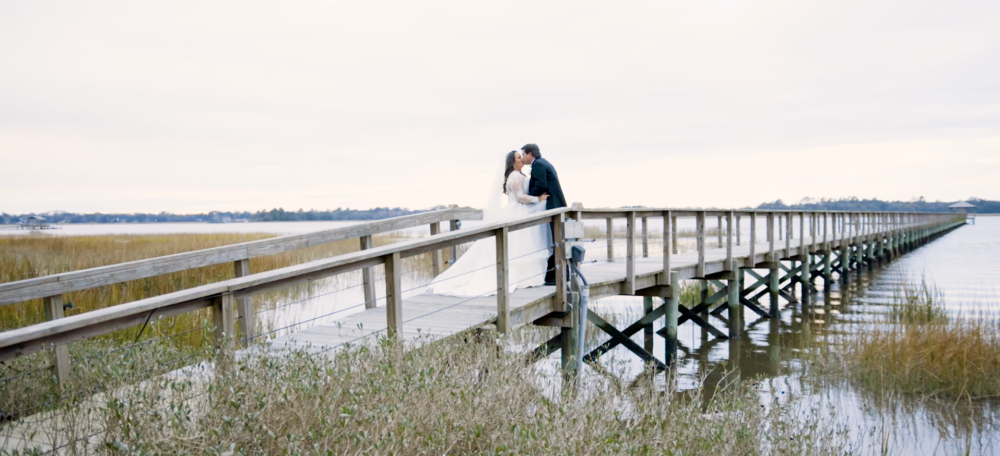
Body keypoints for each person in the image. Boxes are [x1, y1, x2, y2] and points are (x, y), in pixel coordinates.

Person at [425, 151, 552, 296]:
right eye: (518, 157)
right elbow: (520, 197)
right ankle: (518, 274)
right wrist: (539, 200)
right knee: (517, 243)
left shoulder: (517, 175)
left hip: (519, 211)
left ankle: (522, 274)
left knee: (519, 244)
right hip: (516, 211)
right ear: (512, 162)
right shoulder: (515, 175)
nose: (521, 159)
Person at [521, 143, 566, 285]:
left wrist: (527, 198)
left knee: (554, 240)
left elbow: (540, 185)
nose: (522, 157)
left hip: (552, 206)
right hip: (556, 205)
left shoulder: (538, 165)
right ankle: (554, 276)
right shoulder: (544, 162)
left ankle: (554, 276)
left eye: (523, 154)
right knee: (555, 240)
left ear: (529, 154)